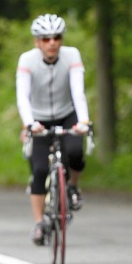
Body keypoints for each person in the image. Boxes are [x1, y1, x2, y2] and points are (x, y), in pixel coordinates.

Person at [16, 14, 91, 246]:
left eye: (56, 37)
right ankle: (39, 223)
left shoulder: (72, 55)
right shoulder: (27, 60)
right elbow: (22, 96)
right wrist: (29, 124)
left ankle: (72, 186)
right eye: (45, 38)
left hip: (67, 113)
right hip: (38, 118)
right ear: (37, 41)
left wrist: (84, 122)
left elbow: (78, 92)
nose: (51, 43)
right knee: (39, 169)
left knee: (76, 151)